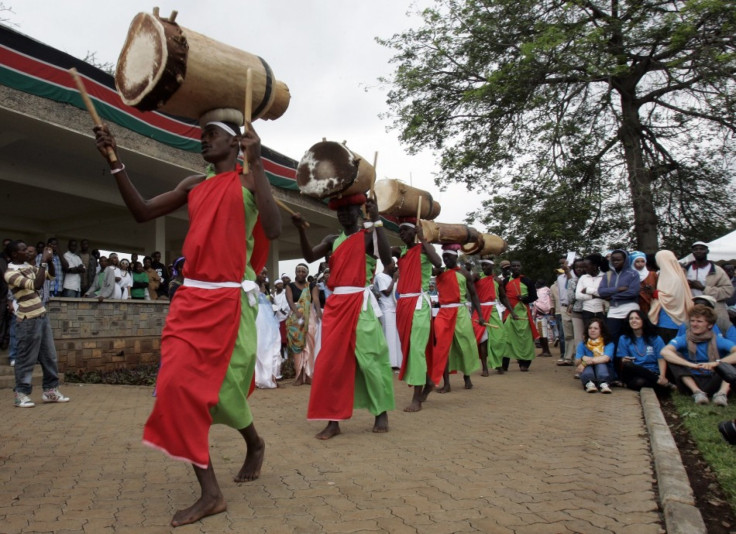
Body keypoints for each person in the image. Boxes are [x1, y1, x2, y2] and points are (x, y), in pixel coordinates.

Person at [95, 115, 280, 527]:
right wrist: (115, 161)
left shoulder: (250, 180)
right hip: (189, 300)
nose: (203, 141)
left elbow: (273, 226)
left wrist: (260, 163)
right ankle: (211, 493)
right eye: (202, 135)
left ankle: (254, 443)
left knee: (223, 391)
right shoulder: (192, 185)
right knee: (176, 385)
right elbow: (142, 212)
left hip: (230, 300)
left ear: (235, 144)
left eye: (212, 135)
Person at [292, 194, 394, 440]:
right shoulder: (331, 240)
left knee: (371, 359)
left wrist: (377, 218)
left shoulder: (369, 237)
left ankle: (381, 412)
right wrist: (301, 231)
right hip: (337, 305)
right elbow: (309, 257)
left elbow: (389, 261)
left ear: (358, 213)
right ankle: (333, 421)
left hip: (360, 303)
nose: (344, 215)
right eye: (340, 212)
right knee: (331, 363)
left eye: (349, 211)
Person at [4, 240, 69, 407]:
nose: (28, 251)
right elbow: (36, 285)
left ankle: (50, 391)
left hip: (41, 316)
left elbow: (50, 276)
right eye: (23, 249)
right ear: (14, 254)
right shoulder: (10, 272)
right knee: (26, 358)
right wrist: (42, 262)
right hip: (27, 320)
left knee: (49, 357)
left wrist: (51, 260)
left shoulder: (27, 266)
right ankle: (21, 393)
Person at [392, 217, 442, 412]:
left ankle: (417, 399)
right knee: (408, 348)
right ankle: (428, 381)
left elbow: (438, 262)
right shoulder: (401, 252)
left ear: (414, 231)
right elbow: (380, 251)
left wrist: (423, 239)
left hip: (419, 303)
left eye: (405, 230)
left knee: (416, 348)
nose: (401, 234)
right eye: (400, 231)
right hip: (403, 303)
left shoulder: (423, 249)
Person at [661, 305, 735, 406]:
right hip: (691, 379)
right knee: (673, 356)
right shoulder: (683, 338)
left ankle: (722, 394)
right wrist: (690, 364)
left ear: (709, 325)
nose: (694, 324)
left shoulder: (718, 340)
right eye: (692, 321)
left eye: (699, 321)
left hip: (712, 378)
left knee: (732, 360)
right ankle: (697, 393)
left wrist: (716, 363)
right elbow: (665, 352)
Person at [433, 244, 484, 391]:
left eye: (449, 256)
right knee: (443, 348)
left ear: (456, 256)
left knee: (465, 345)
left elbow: (473, 294)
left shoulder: (464, 274)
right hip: (443, 313)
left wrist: (480, 315)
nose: (446, 259)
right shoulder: (439, 273)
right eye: (444, 257)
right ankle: (446, 384)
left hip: (460, 312)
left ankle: (467, 378)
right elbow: (430, 270)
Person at [473, 257, 514, 376]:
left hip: (494, 310)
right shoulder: (477, 277)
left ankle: (498, 364)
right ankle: (485, 368)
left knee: (499, 339)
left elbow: (503, 297)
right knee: (483, 340)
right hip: (480, 311)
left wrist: (512, 311)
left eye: (486, 265)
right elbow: (468, 281)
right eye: (483, 265)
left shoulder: (497, 280)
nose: (484, 267)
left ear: (492, 266)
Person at [685, 241, 734, 334]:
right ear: (692, 252)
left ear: (707, 251)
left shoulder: (717, 271)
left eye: (701, 249)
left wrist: (704, 288)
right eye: (696, 249)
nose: (698, 251)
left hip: (714, 312)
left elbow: (728, 291)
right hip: (692, 312)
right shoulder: (685, 270)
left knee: (718, 337)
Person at [616, 310, 671, 392]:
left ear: (643, 321)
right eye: (631, 318)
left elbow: (661, 358)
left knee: (641, 382)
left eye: (637, 318)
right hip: (634, 372)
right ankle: (660, 383)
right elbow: (623, 360)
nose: (633, 320)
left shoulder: (655, 338)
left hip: (653, 371)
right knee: (628, 365)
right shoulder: (623, 338)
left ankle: (658, 382)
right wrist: (623, 360)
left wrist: (662, 376)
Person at [648, 250, 693, 343]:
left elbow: (672, 298)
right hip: (664, 317)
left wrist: (654, 293)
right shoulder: (666, 275)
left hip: (671, 320)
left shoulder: (673, 278)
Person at [502, 260, 538, 371]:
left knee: (525, 340)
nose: (516, 267)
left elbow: (534, 297)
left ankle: (524, 364)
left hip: (524, 315)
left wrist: (524, 298)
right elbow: (502, 297)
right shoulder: (506, 281)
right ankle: (504, 365)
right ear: (510, 268)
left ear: (521, 267)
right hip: (510, 314)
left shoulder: (527, 281)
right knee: (506, 339)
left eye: (518, 266)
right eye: (514, 266)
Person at [285, 263, 313, 385]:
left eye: (303, 271)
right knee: (297, 348)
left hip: (309, 318)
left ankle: (307, 374)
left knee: (308, 346)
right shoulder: (290, 286)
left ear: (307, 273)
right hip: (295, 319)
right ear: (295, 273)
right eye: (299, 271)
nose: (301, 273)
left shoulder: (310, 286)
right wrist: (297, 313)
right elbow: (290, 301)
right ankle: (298, 376)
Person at [255, 268, 282, 389]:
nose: (264, 276)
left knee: (272, 346)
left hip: (269, 321)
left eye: (265, 273)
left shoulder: (266, 289)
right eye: (262, 273)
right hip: (258, 320)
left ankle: (271, 375)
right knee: (259, 347)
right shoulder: (252, 287)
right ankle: (258, 378)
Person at [374, 259, 402, 369]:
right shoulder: (380, 276)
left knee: (395, 337)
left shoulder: (390, 277)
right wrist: (394, 279)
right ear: (386, 264)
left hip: (394, 309)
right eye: (393, 264)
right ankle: (389, 363)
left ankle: (396, 362)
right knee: (388, 337)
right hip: (386, 310)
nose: (394, 267)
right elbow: (386, 293)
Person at [575, 318, 615, 393]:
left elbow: (605, 358)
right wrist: (583, 358)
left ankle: (604, 384)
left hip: (605, 372)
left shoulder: (608, 343)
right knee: (587, 365)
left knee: (600, 363)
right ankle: (589, 383)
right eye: (590, 328)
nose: (592, 330)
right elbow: (577, 362)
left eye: (596, 328)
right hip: (589, 372)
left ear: (601, 331)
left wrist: (585, 362)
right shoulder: (582, 344)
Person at [564, 258, 587, 369]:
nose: (579, 269)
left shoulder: (588, 279)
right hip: (577, 312)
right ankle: (579, 364)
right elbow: (571, 298)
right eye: (577, 267)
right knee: (578, 339)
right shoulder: (572, 281)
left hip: (591, 312)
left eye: (582, 267)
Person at [575, 253, 606, 325]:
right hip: (587, 311)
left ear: (595, 266)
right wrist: (594, 296)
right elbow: (578, 295)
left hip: (601, 310)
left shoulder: (604, 276)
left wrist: (588, 290)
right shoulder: (583, 278)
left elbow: (604, 293)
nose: (584, 269)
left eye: (586, 267)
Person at [533, 279, 554, 357]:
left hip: (541, 316)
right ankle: (544, 350)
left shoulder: (542, 292)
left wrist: (535, 303)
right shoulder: (546, 290)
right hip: (544, 315)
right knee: (542, 333)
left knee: (542, 333)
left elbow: (544, 305)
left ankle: (546, 351)